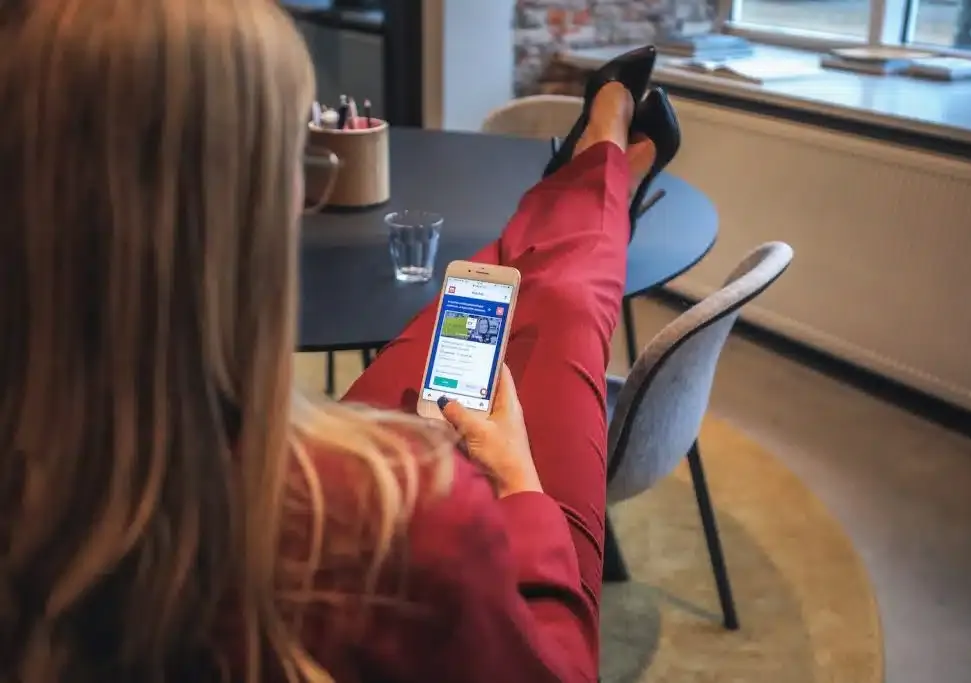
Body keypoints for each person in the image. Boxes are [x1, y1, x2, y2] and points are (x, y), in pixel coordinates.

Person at [0, 1, 678, 682]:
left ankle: (585, 179)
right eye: (297, 153)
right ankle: (598, 175)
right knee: (558, 309)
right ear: (250, 202)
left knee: (486, 284)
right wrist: (521, 484)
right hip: (365, 501)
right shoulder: (397, 524)